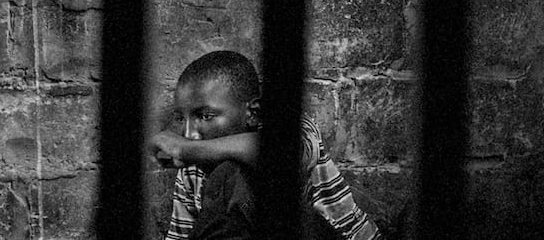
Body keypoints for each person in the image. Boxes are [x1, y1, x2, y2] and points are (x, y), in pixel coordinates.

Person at [150, 50, 382, 240]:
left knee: (232, 173)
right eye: (181, 118)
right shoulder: (192, 169)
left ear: (254, 113)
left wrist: (185, 149)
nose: (189, 134)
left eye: (205, 115)